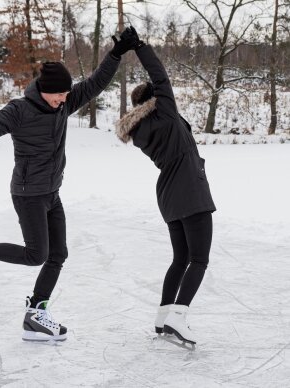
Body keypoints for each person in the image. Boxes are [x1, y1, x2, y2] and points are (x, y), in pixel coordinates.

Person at [0, 28, 138, 342]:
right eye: (59, 94)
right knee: (37, 254)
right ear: (44, 90)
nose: (63, 99)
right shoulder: (21, 110)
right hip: (28, 194)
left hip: (52, 193)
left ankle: (35, 315)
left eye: (65, 95)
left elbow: (97, 83)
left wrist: (116, 54)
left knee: (58, 253)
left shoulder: (63, 105)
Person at [115, 28, 216, 345]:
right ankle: (179, 316)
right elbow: (159, 74)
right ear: (155, 100)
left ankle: (162, 318)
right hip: (190, 191)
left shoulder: (140, 129)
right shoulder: (165, 112)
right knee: (198, 260)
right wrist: (140, 47)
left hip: (169, 196)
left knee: (180, 259)